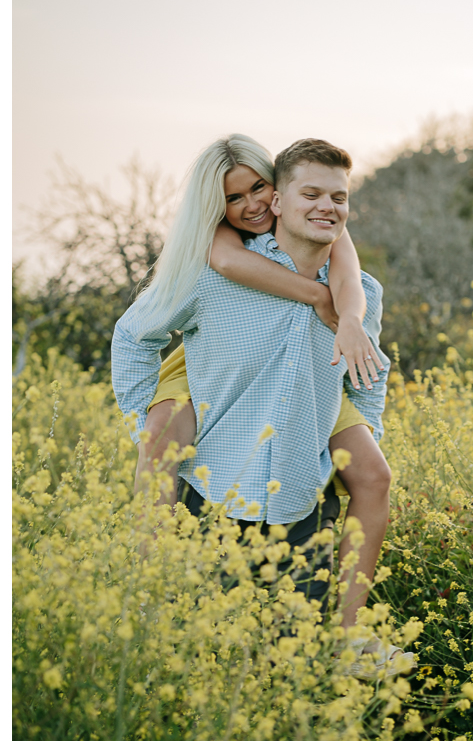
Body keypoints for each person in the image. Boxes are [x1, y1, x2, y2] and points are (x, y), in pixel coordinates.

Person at [112, 135, 413, 676]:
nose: (250, 203)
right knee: (159, 443)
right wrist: (145, 414)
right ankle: (147, 606)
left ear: (271, 192)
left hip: (312, 412)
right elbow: (136, 335)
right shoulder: (215, 262)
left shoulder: (355, 283)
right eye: (311, 194)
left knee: (375, 476)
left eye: (338, 197)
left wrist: (352, 429)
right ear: (282, 202)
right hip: (210, 390)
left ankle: (347, 642)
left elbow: (369, 366)